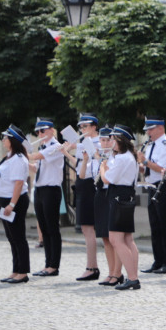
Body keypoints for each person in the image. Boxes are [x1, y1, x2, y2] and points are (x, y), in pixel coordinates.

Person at [0, 125, 31, 284]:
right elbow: (4, 180)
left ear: (13, 140)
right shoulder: (8, 157)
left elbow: (18, 184)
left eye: (5, 137)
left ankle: (23, 272)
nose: (3, 140)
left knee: (18, 237)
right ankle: (16, 270)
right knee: (12, 238)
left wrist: (11, 204)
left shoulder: (18, 159)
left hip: (14, 201)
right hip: (4, 200)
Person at [101, 125, 141, 291]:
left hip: (119, 196)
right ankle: (133, 276)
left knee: (116, 239)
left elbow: (107, 179)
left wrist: (103, 167)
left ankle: (132, 277)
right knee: (127, 240)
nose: (111, 142)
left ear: (121, 141)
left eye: (114, 139)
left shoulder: (122, 158)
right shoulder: (130, 156)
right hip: (126, 195)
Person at [26, 117, 68, 277]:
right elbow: (38, 167)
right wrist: (27, 163)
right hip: (40, 189)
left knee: (52, 228)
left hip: (51, 190)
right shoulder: (44, 147)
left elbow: (37, 157)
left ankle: (53, 266)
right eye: (38, 131)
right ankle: (47, 264)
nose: (40, 134)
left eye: (42, 130)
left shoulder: (56, 147)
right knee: (43, 228)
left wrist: (24, 153)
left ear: (51, 130)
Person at [138, 116, 166, 274]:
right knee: (155, 226)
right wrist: (141, 166)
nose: (148, 132)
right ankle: (158, 260)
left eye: (151, 129)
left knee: (165, 226)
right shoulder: (150, 145)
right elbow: (148, 168)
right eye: (147, 129)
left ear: (160, 128)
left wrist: (145, 162)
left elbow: (161, 168)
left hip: (164, 186)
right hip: (151, 185)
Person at [93, 127, 124, 286]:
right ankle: (111, 271)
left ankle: (117, 273)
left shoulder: (115, 158)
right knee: (105, 237)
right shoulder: (100, 157)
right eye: (102, 140)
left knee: (115, 238)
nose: (105, 143)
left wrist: (102, 163)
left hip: (111, 195)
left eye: (107, 140)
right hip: (100, 195)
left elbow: (110, 177)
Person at [73, 114, 102, 281]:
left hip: (92, 184)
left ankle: (92, 267)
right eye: (81, 127)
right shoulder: (82, 143)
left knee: (89, 227)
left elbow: (95, 166)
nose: (82, 130)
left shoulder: (100, 142)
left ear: (93, 126)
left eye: (85, 126)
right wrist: (66, 151)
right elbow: (79, 165)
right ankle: (91, 265)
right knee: (85, 227)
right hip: (82, 182)